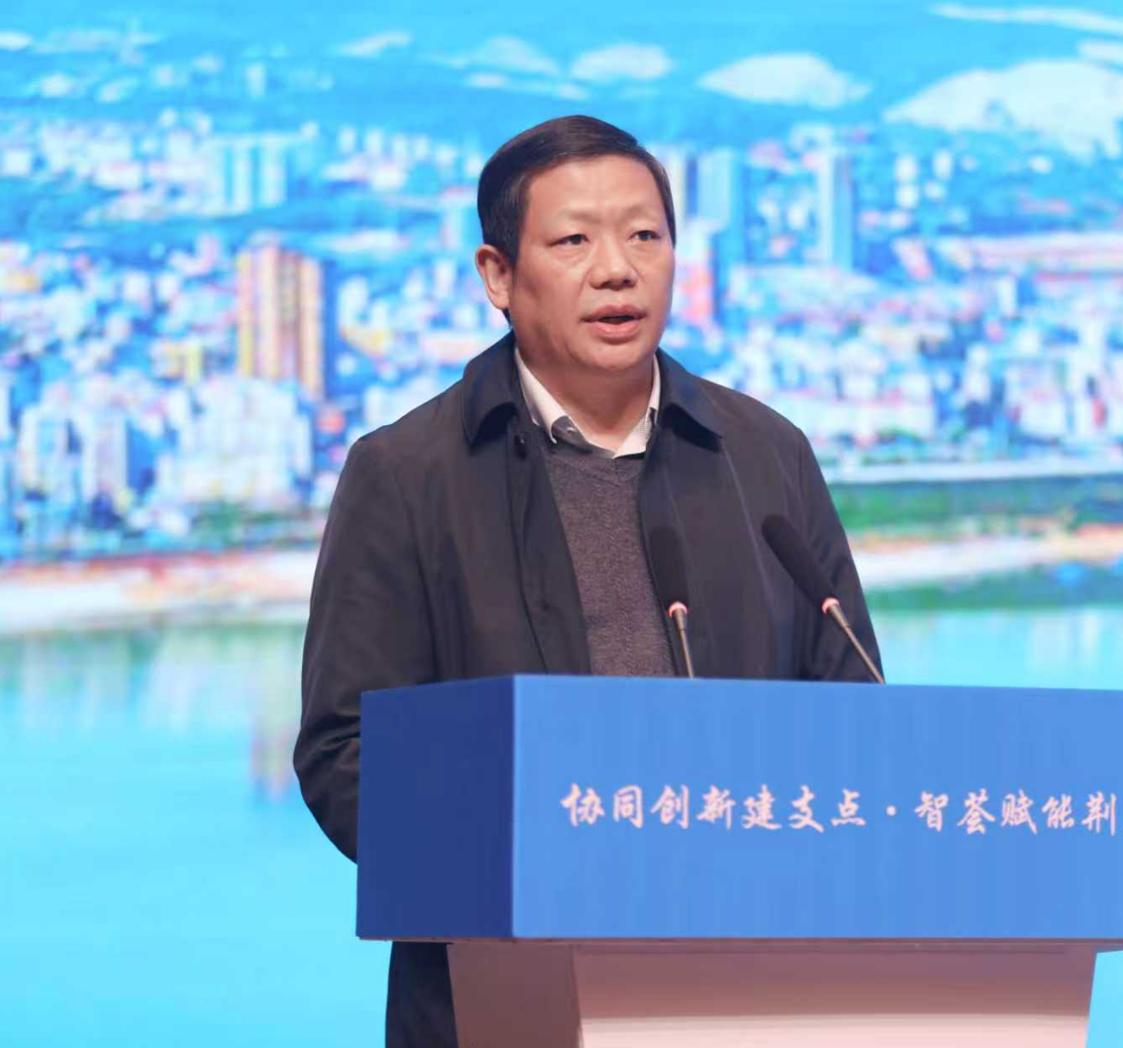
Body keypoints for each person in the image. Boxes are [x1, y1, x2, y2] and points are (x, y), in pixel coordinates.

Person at [293, 114, 881, 1046]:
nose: (618, 270)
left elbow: (853, 717)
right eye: (574, 242)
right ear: (498, 275)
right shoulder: (408, 474)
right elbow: (346, 755)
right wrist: (532, 870)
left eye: (645, 236)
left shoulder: (766, 455)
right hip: (505, 995)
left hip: (746, 990)